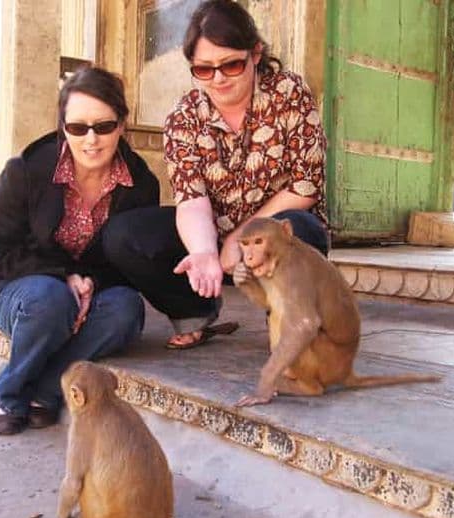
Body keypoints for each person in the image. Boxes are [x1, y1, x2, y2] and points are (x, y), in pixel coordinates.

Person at [104, 0, 328, 349]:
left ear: (255, 54)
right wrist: (205, 251)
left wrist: (241, 238)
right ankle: (195, 311)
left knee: (300, 230)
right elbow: (191, 201)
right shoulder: (184, 117)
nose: (219, 78)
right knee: (123, 235)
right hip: (216, 235)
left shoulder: (289, 93)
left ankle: (289, 325)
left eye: (231, 65)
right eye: (204, 70)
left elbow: (306, 187)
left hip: (274, 233)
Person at [0, 67, 160, 435]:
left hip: (97, 294)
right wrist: (64, 277)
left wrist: (92, 282)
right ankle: (10, 394)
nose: (91, 140)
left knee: (127, 309)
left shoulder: (140, 183)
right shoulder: (26, 171)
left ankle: (46, 389)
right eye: (78, 128)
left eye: (103, 127)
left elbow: (131, 261)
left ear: (122, 124)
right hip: (26, 290)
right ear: (63, 126)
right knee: (51, 299)